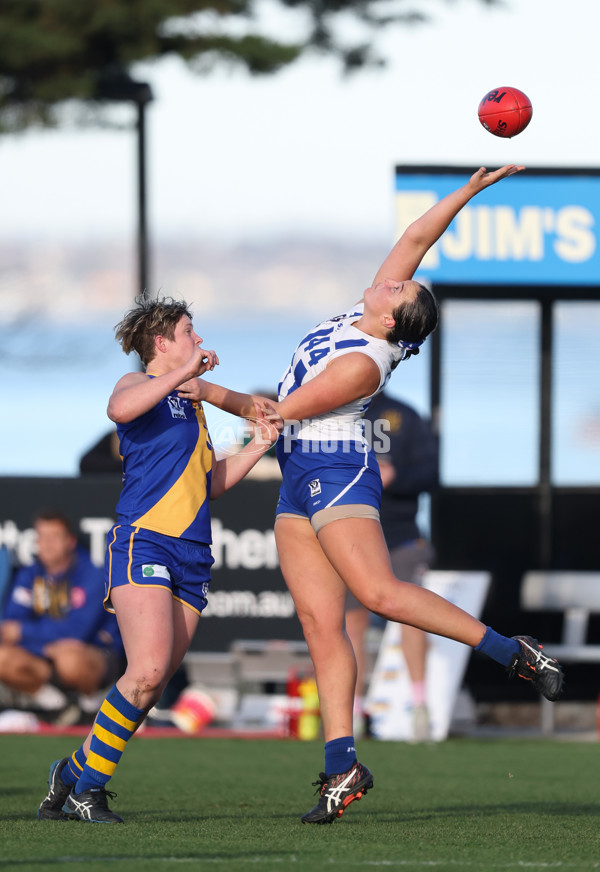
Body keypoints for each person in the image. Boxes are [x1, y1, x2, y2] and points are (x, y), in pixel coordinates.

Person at [157, 166, 564, 826]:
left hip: (336, 468)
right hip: (299, 474)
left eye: (401, 286)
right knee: (323, 627)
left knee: (377, 594)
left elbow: (279, 414)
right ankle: (342, 764)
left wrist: (208, 392)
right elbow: (417, 236)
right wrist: (472, 187)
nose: (394, 274)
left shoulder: (363, 361)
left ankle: (513, 651)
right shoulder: (365, 313)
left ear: (392, 314)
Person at [37, 296, 281, 824]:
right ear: (162, 343)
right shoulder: (138, 386)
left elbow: (207, 483)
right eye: (188, 331)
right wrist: (186, 375)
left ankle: (70, 774)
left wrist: (258, 445)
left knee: (153, 684)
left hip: (192, 554)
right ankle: (89, 792)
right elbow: (119, 410)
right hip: (143, 541)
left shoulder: (190, 404)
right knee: (143, 671)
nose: (198, 339)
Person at [345, 391, 438, 741]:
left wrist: (395, 474)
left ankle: (420, 706)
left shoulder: (404, 414)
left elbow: (431, 473)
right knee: (350, 622)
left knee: (410, 613)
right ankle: (351, 713)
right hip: (350, 532)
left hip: (400, 535)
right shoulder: (332, 408)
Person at [0, 510, 124, 713]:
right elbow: (11, 626)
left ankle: (92, 706)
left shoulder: (92, 575)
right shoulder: (29, 574)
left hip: (92, 657)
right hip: (43, 658)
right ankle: (55, 707)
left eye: (54, 537)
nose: (47, 544)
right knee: (3, 657)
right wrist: (45, 644)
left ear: (70, 541)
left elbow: (77, 632)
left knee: (69, 658)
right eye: (41, 537)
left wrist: (27, 632)